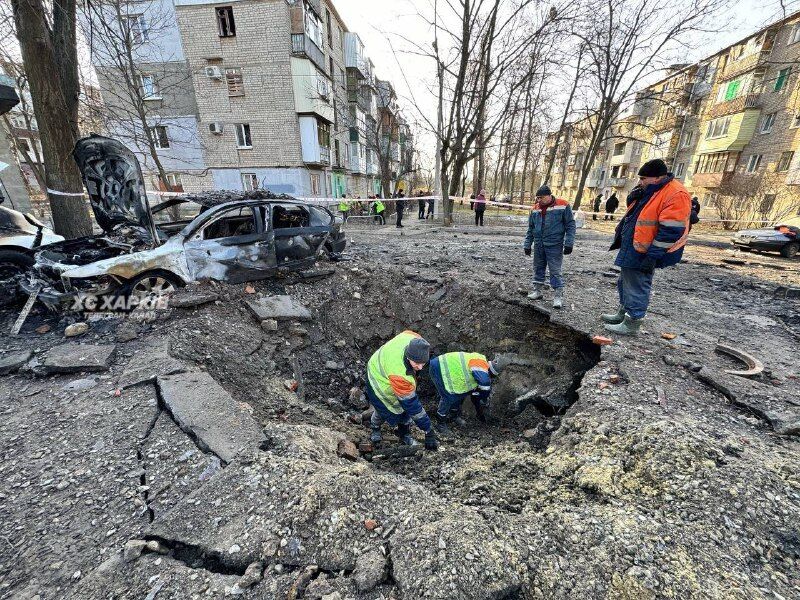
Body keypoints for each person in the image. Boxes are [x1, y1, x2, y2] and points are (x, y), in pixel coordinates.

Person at [602, 158, 691, 336]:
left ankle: (632, 322)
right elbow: (639, 216)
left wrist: (653, 256)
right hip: (634, 245)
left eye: (643, 178)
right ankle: (624, 313)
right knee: (625, 281)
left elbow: (670, 230)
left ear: (657, 177)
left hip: (647, 250)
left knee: (637, 284)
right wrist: (633, 197)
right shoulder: (651, 190)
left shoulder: (675, 193)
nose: (640, 182)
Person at [366, 331, 438, 450]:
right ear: (408, 357)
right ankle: (375, 427)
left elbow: (408, 333)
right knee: (385, 408)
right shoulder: (399, 371)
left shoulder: (415, 341)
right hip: (378, 377)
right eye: (416, 363)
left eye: (423, 363)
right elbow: (412, 406)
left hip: (388, 367)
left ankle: (403, 433)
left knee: (404, 409)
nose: (420, 367)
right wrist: (428, 430)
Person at [523, 185, 576, 309]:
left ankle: (558, 296)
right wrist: (527, 244)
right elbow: (530, 229)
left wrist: (569, 243)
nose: (539, 200)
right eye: (538, 198)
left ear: (549, 195)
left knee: (555, 270)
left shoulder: (563, 205)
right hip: (539, 244)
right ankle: (537, 291)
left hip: (555, 245)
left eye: (541, 197)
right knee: (538, 267)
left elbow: (570, 225)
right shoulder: (535, 209)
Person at [430, 352, 509, 434]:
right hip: (440, 367)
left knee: (460, 392)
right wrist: (483, 397)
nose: (490, 378)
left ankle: (453, 416)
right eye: (491, 376)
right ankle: (440, 423)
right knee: (448, 396)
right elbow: (484, 383)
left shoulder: (480, 363)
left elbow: (474, 394)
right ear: (490, 372)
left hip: (448, 369)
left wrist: (477, 399)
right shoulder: (481, 368)